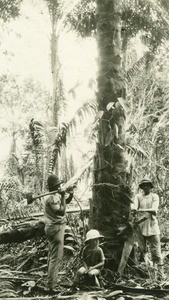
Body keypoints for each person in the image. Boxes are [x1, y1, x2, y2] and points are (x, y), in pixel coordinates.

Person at [44, 174, 73, 291]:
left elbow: (65, 202)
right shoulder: (51, 198)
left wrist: (70, 194)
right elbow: (61, 212)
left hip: (53, 227)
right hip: (55, 228)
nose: (60, 186)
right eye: (59, 185)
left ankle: (51, 281)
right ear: (55, 187)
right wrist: (62, 195)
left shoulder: (55, 196)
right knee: (55, 258)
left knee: (52, 256)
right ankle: (52, 285)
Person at [132, 178, 165, 279]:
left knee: (156, 253)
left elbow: (154, 210)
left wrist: (141, 210)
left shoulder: (154, 196)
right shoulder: (138, 197)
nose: (146, 187)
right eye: (144, 185)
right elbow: (134, 207)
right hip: (140, 227)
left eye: (148, 185)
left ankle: (160, 275)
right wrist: (134, 209)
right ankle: (146, 276)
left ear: (151, 187)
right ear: (141, 187)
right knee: (142, 253)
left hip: (152, 227)